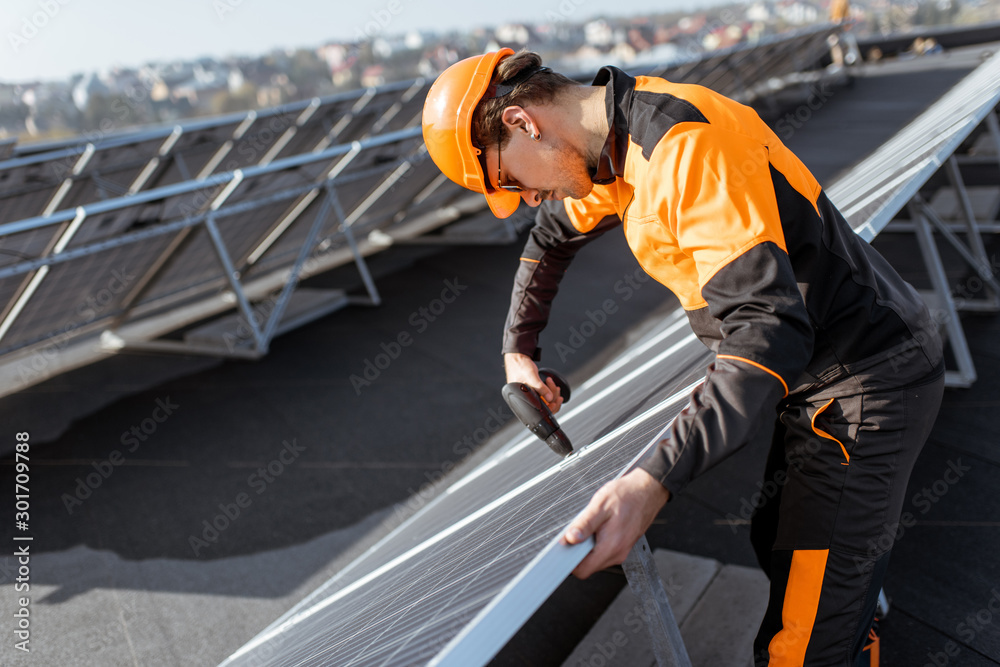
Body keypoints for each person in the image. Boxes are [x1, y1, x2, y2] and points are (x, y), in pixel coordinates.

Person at [421, 48, 944, 666]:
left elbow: (766, 326)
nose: (529, 199)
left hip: (867, 383)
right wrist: (519, 349)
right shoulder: (609, 148)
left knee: (798, 651)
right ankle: (854, 612)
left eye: (509, 180)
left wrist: (651, 481)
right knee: (775, 539)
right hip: (816, 382)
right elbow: (550, 236)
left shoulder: (682, 148)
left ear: (522, 123)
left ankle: (845, 623)